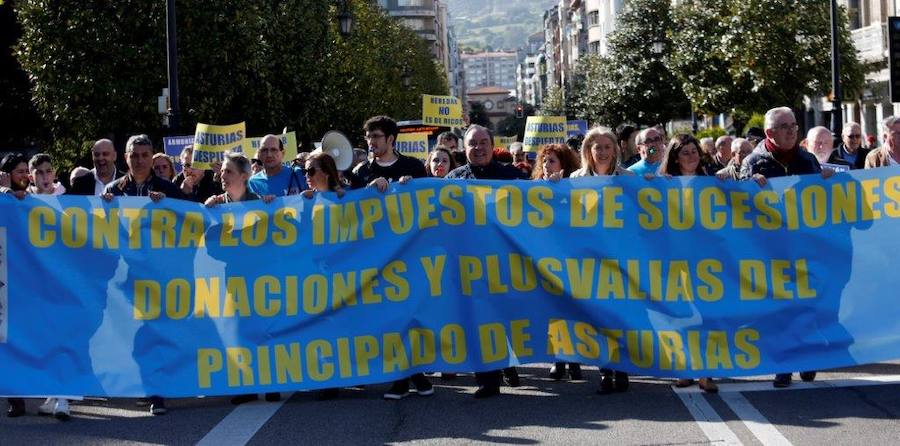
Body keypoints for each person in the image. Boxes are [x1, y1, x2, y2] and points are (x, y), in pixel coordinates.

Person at [740, 107, 833, 388]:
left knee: (806, 304)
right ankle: (784, 364)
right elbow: (736, 202)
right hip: (770, 250)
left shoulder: (807, 159)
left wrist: (829, 182)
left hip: (804, 246)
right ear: (769, 133)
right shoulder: (754, 162)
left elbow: (822, 200)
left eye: (793, 125)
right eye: (784, 127)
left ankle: (806, 356)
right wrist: (747, 184)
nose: (792, 130)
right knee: (779, 308)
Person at [445, 125, 526, 398]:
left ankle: (507, 363)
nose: (478, 148)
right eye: (472, 143)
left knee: (507, 317)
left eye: (483, 142)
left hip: (506, 262)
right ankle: (487, 379)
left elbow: (538, 204)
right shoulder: (453, 180)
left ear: (492, 146)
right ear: (464, 148)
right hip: (470, 264)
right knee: (478, 320)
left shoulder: (512, 176)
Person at [348, 115, 426, 191]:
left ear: (390, 139)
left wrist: (414, 185)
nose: (370, 142)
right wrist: (369, 190)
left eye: (375, 136)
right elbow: (352, 198)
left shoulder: (414, 166)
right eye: (368, 137)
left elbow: (426, 193)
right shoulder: (360, 171)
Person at [103, 135, 184, 203]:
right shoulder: (112, 189)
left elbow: (184, 213)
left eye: (145, 155)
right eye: (135, 156)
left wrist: (167, 202)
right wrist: (103, 203)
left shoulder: (170, 190)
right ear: (126, 157)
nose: (140, 161)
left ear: (152, 156)